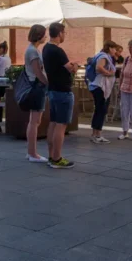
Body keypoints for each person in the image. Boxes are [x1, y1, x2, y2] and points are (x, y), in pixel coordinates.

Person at [41, 22, 76, 169]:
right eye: (64, 33)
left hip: (52, 90)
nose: (65, 35)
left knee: (53, 123)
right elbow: (70, 69)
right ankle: (57, 158)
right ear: (60, 33)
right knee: (61, 125)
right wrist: (75, 66)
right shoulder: (58, 51)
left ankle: (51, 155)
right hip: (62, 91)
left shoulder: (46, 49)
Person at [23, 25, 49, 163]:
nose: (46, 37)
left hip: (36, 86)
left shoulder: (33, 50)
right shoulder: (33, 51)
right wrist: (47, 83)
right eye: (44, 34)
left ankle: (31, 152)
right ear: (39, 35)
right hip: (37, 87)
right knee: (34, 121)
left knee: (35, 121)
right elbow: (38, 72)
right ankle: (33, 153)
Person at [88, 41, 119, 144]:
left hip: (99, 86)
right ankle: (97, 135)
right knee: (101, 110)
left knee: (100, 110)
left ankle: (95, 134)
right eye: (114, 48)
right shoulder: (104, 56)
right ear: (110, 48)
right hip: (100, 87)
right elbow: (98, 67)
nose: (115, 51)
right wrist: (109, 73)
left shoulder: (104, 56)